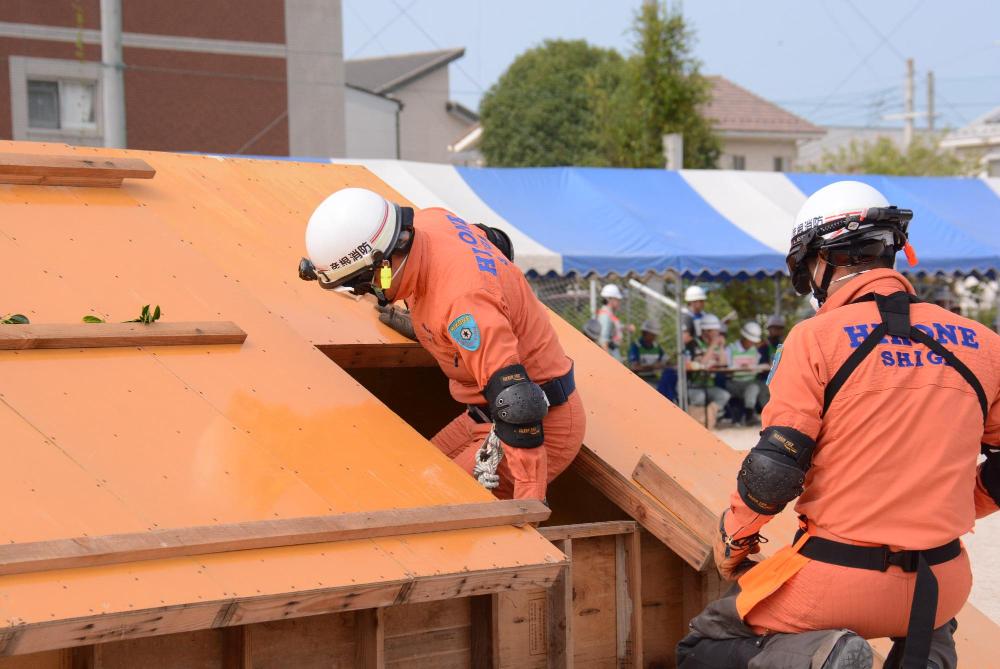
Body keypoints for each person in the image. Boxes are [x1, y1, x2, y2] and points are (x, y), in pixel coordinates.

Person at [676, 180, 1000, 669]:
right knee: (928, 619)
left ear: (822, 260)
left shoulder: (814, 340)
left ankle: (820, 657)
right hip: (941, 578)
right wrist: (947, 508)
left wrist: (737, 537)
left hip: (836, 578)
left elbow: (774, 469)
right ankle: (926, 658)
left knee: (702, 646)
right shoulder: (982, 342)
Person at [299, 188, 586, 502]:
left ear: (381, 263)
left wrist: (529, 497)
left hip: (536, 423)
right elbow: (494, 242)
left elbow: (517, 401)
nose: (368, 292)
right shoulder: (430, 221)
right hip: (485, 414)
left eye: (364, 284)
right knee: (415, 487)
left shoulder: (464, 304)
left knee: (436, 509)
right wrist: (435, 329)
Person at [685, 314, 731, 411]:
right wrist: (713, 345)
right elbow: (701, 363)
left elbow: (724, 365)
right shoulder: (693, 344)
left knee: (724, 395)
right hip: (693, 386)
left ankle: (709, 417)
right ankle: (698, 418)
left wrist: (722, 347)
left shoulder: (716, 345)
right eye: (714, 331)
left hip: (709, 385)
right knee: (700, 397)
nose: (717, 334)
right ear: (705, 331)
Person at [725, 322, 766, 425]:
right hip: (734, 382)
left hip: (750, 381)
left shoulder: (754, 351)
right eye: (751, 341)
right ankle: (749, 414)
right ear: (744, 337)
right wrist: (741, 368)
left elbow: (758, 365)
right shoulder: (730, 349)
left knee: (764, 387)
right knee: (753, 387)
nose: (752, 343)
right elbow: (726, 369)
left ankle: (766, 414)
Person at [628, 319, 667, 389]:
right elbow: (634, 367)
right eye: (653, 334)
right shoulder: (636, 346)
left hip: (654, 379)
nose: (655, 336)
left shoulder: (657, 346)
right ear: (645, 333)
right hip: (639, 380)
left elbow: (666, 361)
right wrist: (653, 367)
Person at [597, 284, 628, 360]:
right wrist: (609, 362)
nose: (619, 302)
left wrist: (626, 327)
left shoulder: (608, 313)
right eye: (617, 299)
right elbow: (603, 341)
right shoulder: (605, 316)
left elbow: (613, 329)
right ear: (610, 299)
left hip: (613, 352)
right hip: (611, 353)